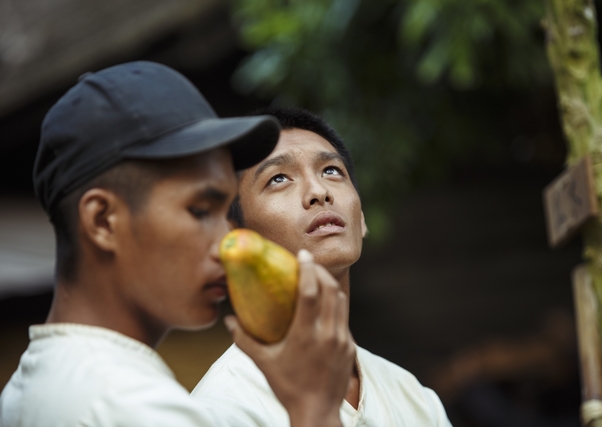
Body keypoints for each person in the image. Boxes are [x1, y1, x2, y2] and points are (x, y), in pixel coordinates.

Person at [0, 63, 354, 427]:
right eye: (200, 210)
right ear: (103, 221)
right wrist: (315, 409)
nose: (226, 242)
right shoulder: (132, 407)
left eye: (225, 212)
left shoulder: (30, 387)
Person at [191, 106, 453, 426]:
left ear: (362, 219)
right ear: (235, 237)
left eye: (331, 171)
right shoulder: (221, 410)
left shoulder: (416, 399)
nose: (319, 192)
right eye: (278, 178)